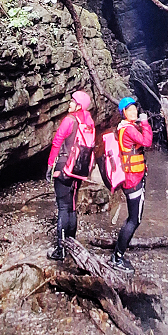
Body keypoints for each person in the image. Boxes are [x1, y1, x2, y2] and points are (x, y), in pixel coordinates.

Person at [45, 90, 95, 261]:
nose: (70, 104)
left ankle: (61, 250)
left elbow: (57, 141)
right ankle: (72, 244)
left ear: (79, 105)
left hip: (64, 168)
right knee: (72, 206)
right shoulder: (88, 121)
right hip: (79, 170)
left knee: (63, 208)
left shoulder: (69, 120)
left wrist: (50, 165)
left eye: (72, 101)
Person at [112, 96, 153, 273]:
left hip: (133, 177)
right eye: (130, 110)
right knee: (134, 220)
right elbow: (147, 141)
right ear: (124, 113)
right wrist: (145, 123)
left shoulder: (125, 127)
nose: (134, 112)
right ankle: (117, 257)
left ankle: (118, 254)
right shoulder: (128, 129)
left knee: (133, 218)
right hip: (133, 180)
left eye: (135, 109)